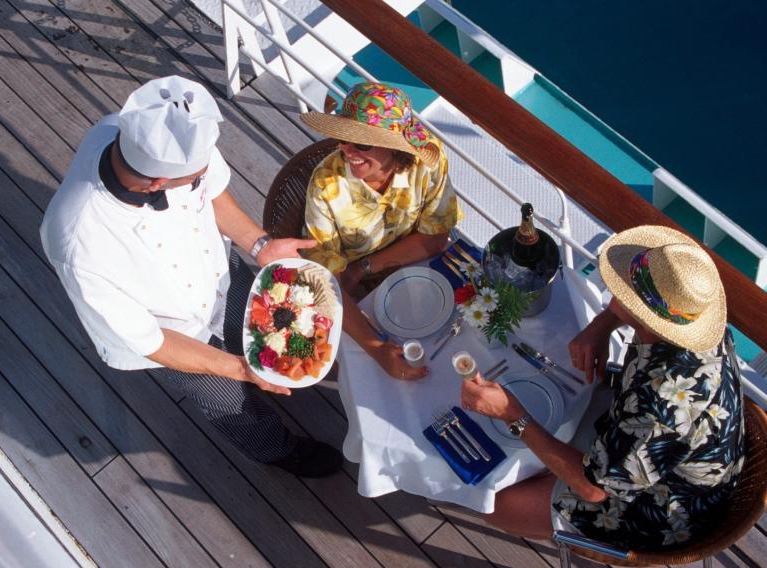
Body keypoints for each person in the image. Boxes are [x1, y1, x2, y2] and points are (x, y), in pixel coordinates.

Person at [40, 75, 342, 478]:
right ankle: (279, 452)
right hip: (177, 335)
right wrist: (240, 369)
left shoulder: (132, 131)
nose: (203, 177)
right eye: (193, 177)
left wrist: (259, 245)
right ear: (158, 182)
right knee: (232, 405)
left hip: (223, 278)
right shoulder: (78, 244)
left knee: (275, 335)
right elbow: (151, 340)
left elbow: (211, 188)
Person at [460, 225, 745, 549]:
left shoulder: (658, 407)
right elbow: (641, 308)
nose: (616, 291)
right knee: (534, 450)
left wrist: (512, 414)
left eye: (623, 290)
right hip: (657, 450)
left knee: (492, 503)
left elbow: (593, 488)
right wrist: (602, 324)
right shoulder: (695, 323)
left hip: (660, 508)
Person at [298, 82, 463, 381]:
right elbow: (325, 278)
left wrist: (363, 267)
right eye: (342, 137)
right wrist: (376, 349)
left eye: (361, 143)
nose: (345, 150)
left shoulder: (429, 163)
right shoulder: (325, 183)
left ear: (394, 147)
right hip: (352, 289)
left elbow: (437, 239)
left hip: (415, 269)